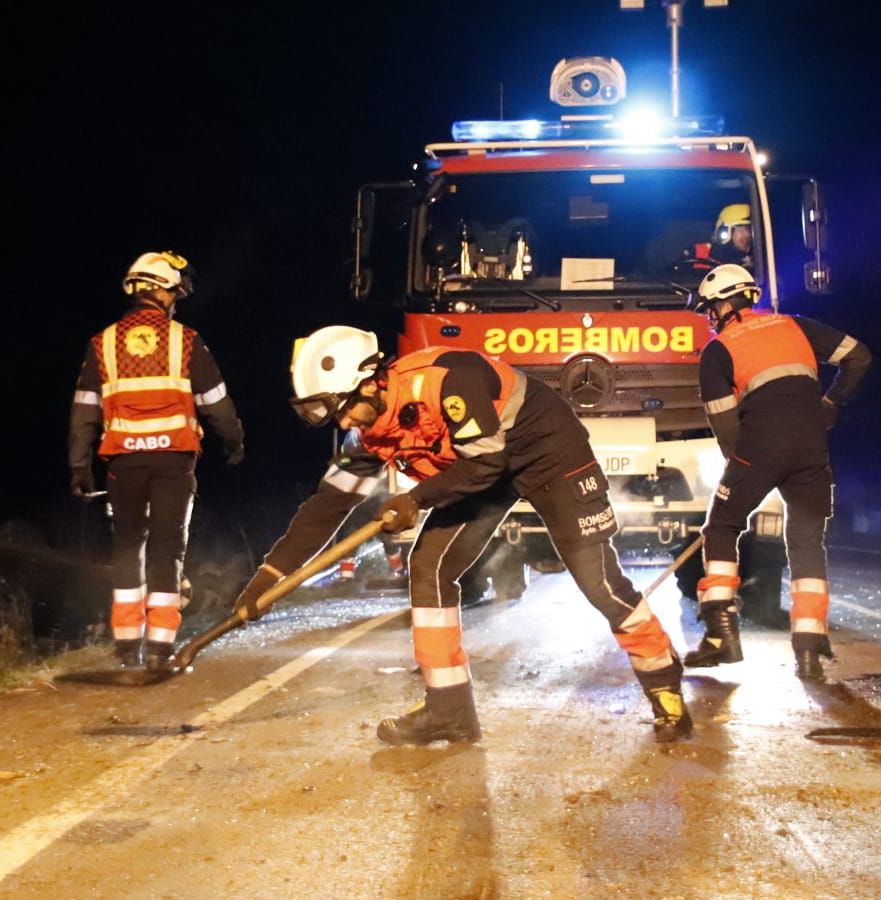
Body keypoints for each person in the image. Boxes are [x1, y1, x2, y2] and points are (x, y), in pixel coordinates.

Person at [231, 325, 693, 745]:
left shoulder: (450, 378)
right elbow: (327, 506)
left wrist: (415, 500)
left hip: (544, 450)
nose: (347, 425)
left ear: (370, 381)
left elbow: (487, 462)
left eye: (346, 410)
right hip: (477, 467)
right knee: (429, 566)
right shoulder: (370, 432)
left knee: (599, 582)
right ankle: (448, 709)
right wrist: (268, 578)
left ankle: (663, 682)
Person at [684, 264, 872, 680]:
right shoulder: (797, 326)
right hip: (812, 449)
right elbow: (859, 356)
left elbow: (727, 432)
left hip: (760, 448)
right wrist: (831, 403)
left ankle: (721, 636)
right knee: (806, 542)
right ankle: (809, 648)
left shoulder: (717, 351)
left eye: (710, 310)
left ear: (725, 305)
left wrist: (743, 473)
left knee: (721, 528)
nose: (710, 319)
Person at [68, 251, 245, 670]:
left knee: (128, 546)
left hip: (122, 464)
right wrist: (233, 440)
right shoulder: (185, 340)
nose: (176, 300)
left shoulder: (102, 344)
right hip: (173, 461)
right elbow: (215, 403)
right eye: (174, 292)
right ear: (161, 291)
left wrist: (78, 465)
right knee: (168, 550)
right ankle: (161, 647)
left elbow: (84, 411)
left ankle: (127, 643)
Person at [708, 203, 755, 269]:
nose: (748, 234)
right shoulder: (702, 255)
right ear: (725, 231)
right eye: (742, 229)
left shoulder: (759, 259)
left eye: (749, 229)